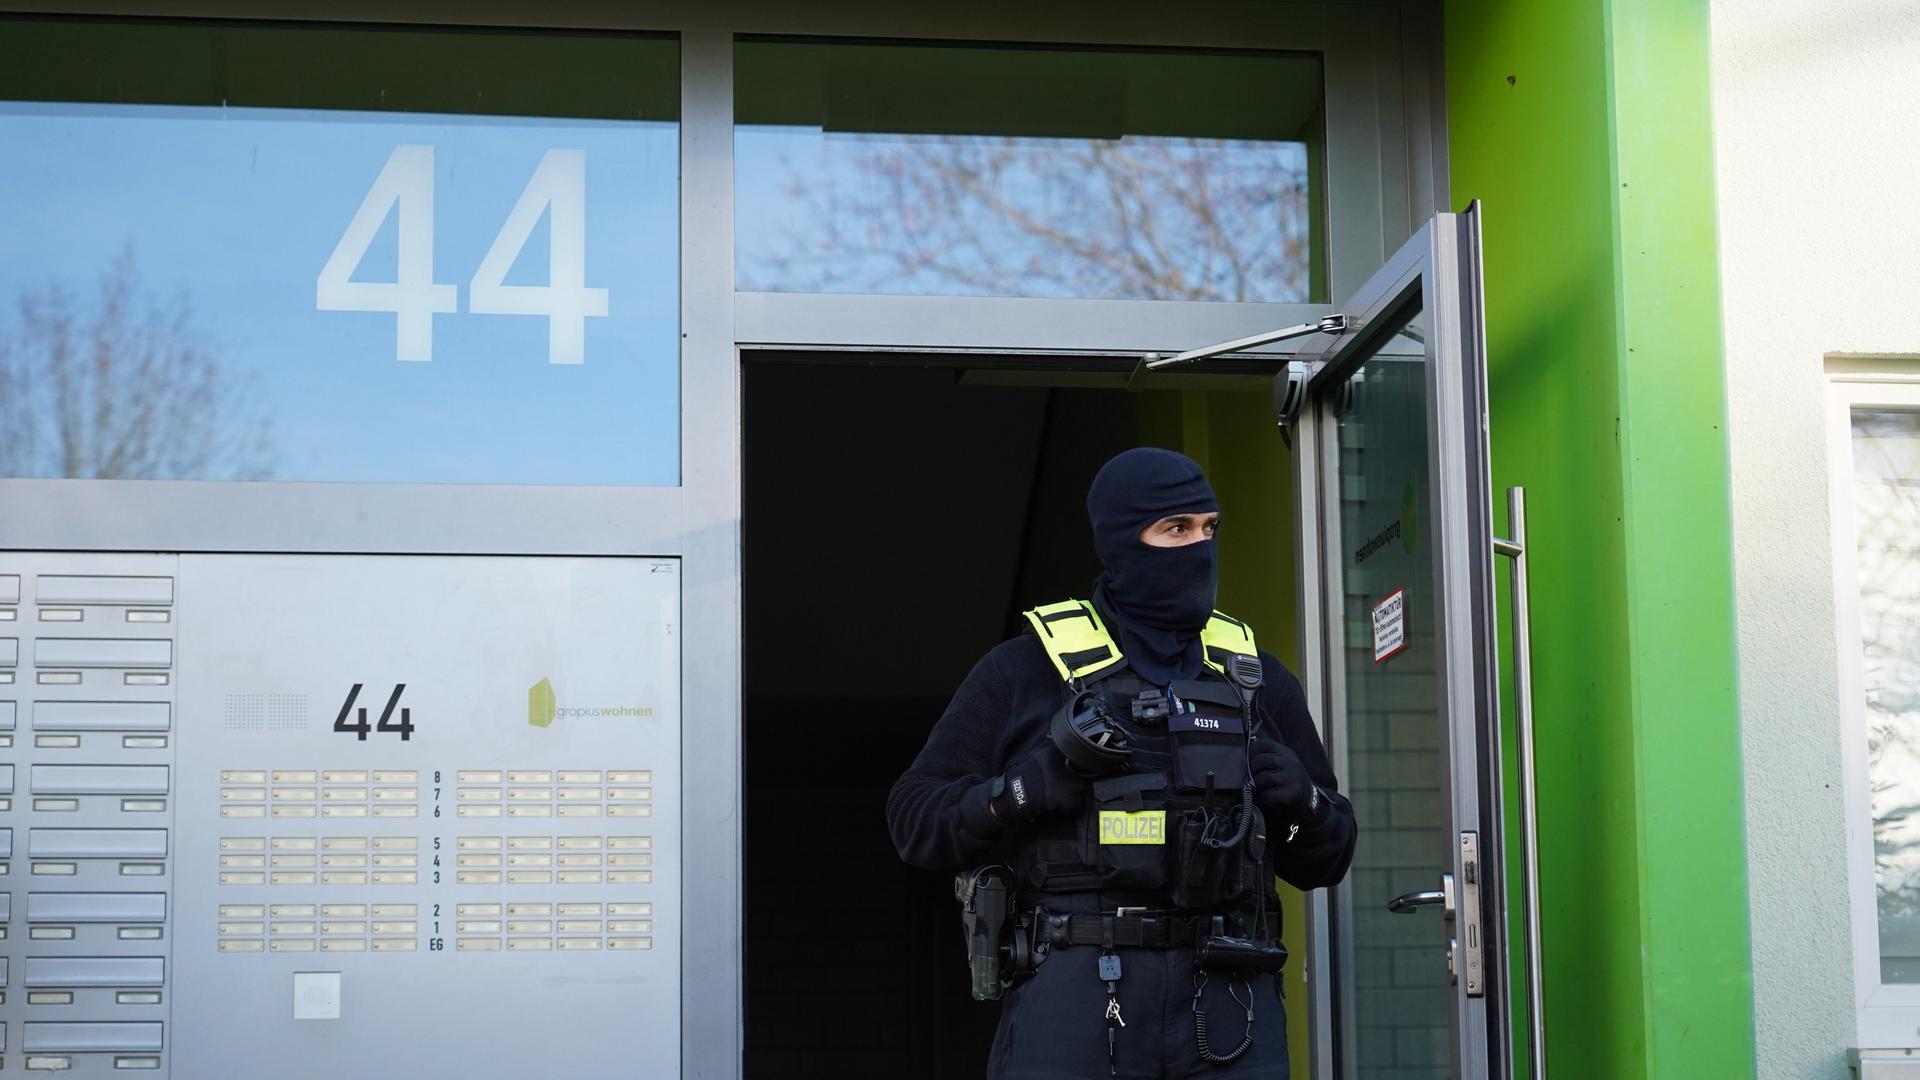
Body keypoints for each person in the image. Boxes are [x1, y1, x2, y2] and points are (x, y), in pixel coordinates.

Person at [886, 447, 1356, 1079]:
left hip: (1227, 1000)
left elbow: (1329, 857)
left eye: (1208, 528)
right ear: (1119, 540)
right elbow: (914, 818)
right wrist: (1018, 791)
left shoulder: (1255, 677)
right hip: (1076, 995)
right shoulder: (1027, 669)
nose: (1198, 548)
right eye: (1175, 529)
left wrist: (1306, 803)